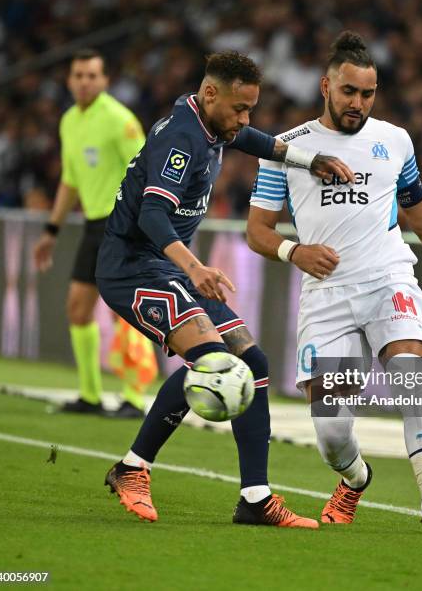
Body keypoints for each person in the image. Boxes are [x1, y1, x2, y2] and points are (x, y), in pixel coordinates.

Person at [95, 51, 354, 527]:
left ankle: (255, 499)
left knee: (251, 362)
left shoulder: (209, 123)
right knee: (213, 362)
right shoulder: (182, 137)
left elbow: (255, 140)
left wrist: (309, 159)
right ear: (210, 93)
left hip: (166, 269)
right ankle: (132, 469)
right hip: (133, 268)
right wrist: (195, 269)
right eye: (240, 108)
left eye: (251, 108)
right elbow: (152, 215)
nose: (245, 119)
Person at [246, 31, 422, 536]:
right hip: (327, 295)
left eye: (368, 94)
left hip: (388, 279)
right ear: (325, 86)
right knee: (331, 431)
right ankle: (355, 477)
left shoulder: (395, 141)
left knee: (412, 380)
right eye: (349, 91)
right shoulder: (287, 148)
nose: (358, 103)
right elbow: (257, 231)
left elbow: (420, 212)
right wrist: (295, 251)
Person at [33, 49, 157, 418]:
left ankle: (134, 398)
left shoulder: (120, 120)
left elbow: (146, 171)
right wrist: (51, 229)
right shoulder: (69, 120)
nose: (85, 82)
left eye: (92, 75)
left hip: (123, 223)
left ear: (105, 81)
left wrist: (143, 224)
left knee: (126, 311)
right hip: (93, 224)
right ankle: (90, 395)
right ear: (70, 81)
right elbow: (70, 181)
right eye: (78, 75)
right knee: (78, 308)